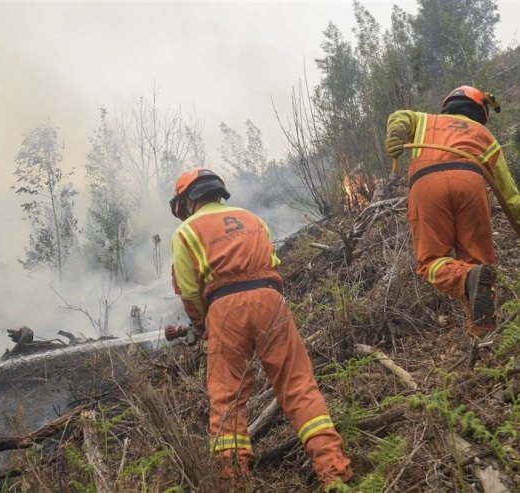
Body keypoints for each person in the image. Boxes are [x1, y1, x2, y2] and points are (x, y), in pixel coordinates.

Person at [169, 168, 353, 490]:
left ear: (187, 201)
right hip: (271, 301)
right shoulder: (254, 219)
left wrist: (202, 326)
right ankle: (334, 472)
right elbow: (272, 264)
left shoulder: (185, 232)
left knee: (227, 399)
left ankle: (235, 482)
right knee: (298, 386)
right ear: (218, 192)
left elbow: (188, 292)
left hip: (224, 310)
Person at [385, 85, 520, 337]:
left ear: (449, 105)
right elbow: (510, 198)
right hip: (470, 182)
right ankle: (485, 334)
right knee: (479, 265)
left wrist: (396, 132)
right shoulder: (484, 135)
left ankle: (469, 278)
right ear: (480, 111)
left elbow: (400, 115)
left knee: (431, 263)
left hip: (427, 185)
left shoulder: (426, 120)